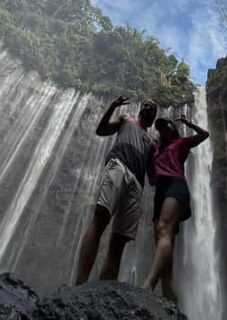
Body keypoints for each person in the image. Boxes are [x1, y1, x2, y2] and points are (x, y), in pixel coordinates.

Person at [75, 95, 158, 284]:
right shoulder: (126, 119)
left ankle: (103, 293)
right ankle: (79, 283)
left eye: (152, 107)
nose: (148, 106)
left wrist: (158, 153)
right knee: (101, 216)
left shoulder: (151, 143)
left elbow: (153, 179)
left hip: (137, 182)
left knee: (119, 241)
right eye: (145, 104)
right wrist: (113, 106)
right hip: (118, 165)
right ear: (139, 110)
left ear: (154, 117)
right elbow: (101, 130)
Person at [142, 114, 209, 303]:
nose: (163, 129)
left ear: (173, 129)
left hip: (176, 185)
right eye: (160, 127)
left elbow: (205, 134)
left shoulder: (181, 142)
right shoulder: (157, 151)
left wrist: (188, 123)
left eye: (166, 126)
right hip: (161, 191)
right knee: (167, 267)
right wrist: (149, 157)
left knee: (163, 228)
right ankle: (172, 308)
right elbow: (152, 180)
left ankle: (147, 286)